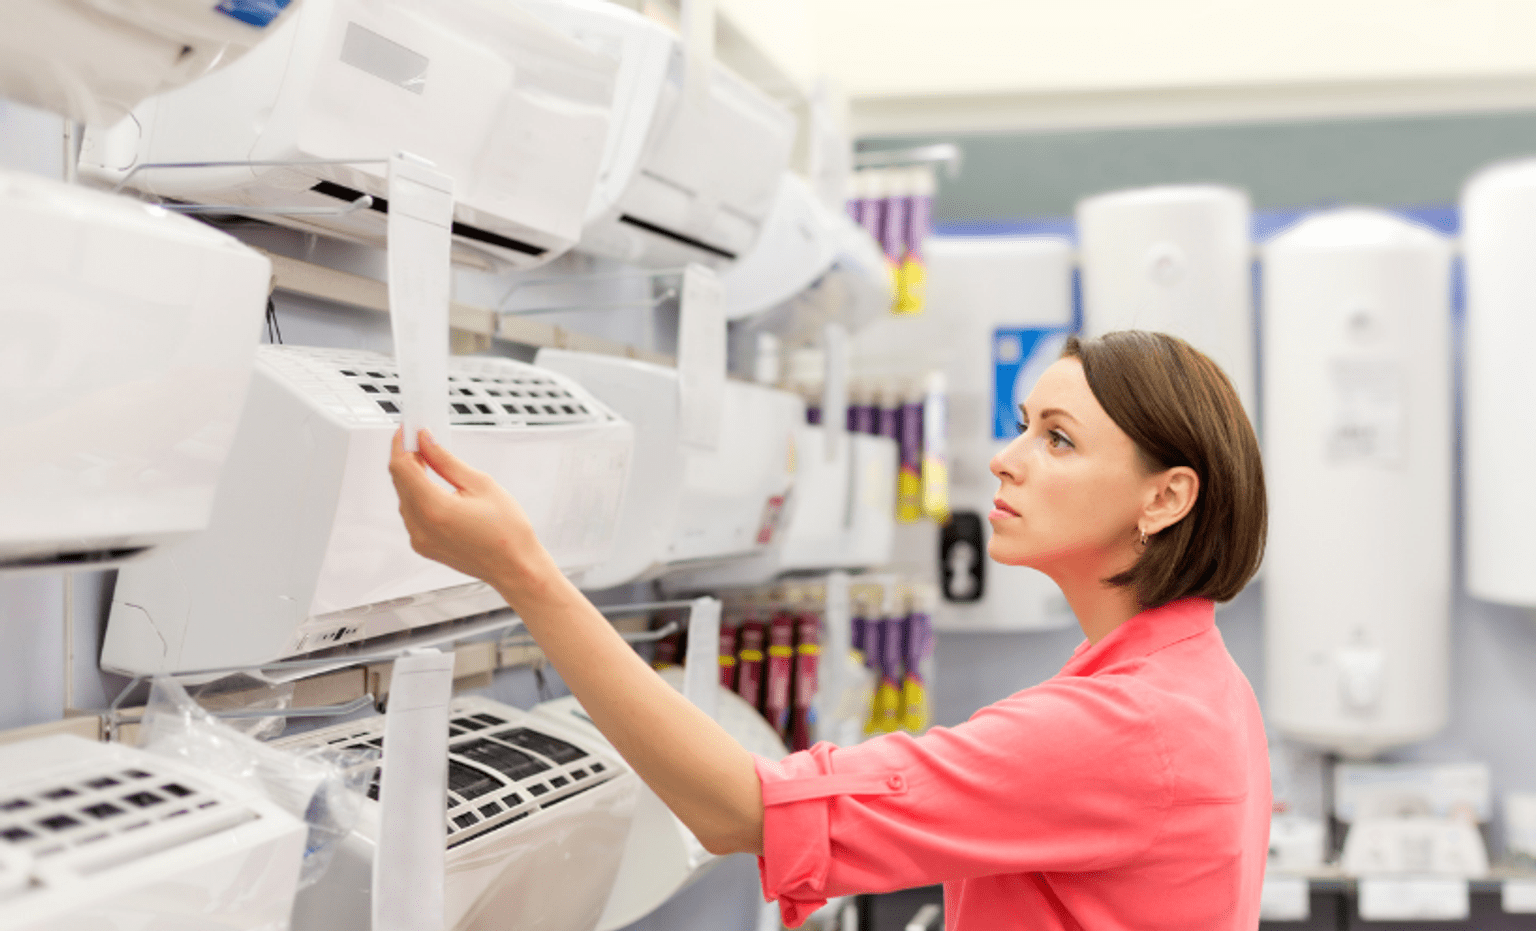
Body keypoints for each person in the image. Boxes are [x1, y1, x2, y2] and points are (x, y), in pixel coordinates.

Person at [389, 330, 1270, 930]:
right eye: (1021, 427)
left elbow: (740, 808)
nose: (1006, 459)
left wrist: (525, 573)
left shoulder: (1121, 727)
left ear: (1166, 496)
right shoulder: (1198, 684)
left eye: (1059, 439)